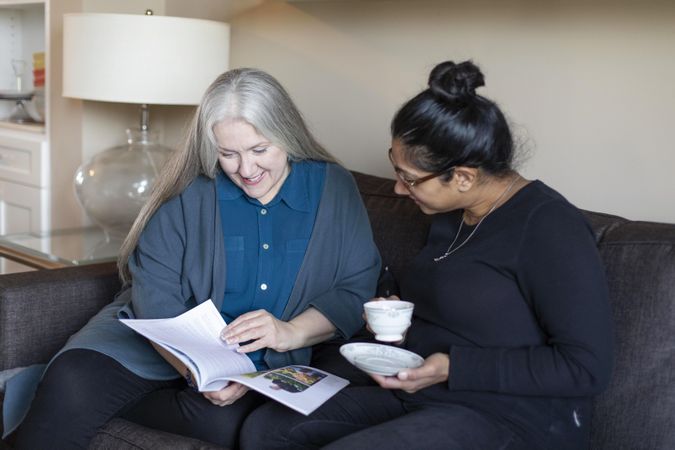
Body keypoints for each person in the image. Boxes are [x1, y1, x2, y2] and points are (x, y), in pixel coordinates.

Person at [238, 60, 614, 449]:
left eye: (410, 178)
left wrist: (452, 367)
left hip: (509, 417)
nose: (399, 190)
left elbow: (585, 368)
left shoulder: (550, 229)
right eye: (396, 168)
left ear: (464, 177)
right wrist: (390, 306)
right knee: (269, 428)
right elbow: (453, 302)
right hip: (421, 395)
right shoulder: (451, 215)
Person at [10, 68, 381, 449]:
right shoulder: (191, 188)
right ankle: (62, 393)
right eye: (228, 154)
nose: (247, 170)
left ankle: (50, 394)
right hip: (163, 343)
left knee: (222, 425)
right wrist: (197, 370)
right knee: (73, 378)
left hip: (266, 363)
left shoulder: (332, 186)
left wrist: (290, 332)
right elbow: (155, 291)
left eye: (260, 150)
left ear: (288, 136)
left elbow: (355, 287)